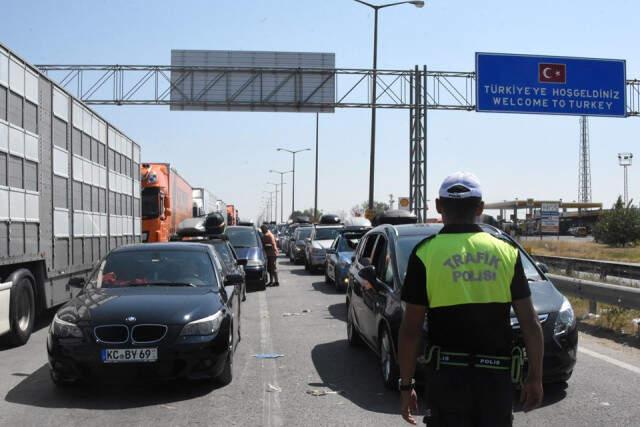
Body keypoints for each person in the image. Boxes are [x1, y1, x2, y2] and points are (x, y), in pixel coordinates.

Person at [397, 172, 544, 426]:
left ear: (439, 205)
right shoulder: (506, 251)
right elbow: (530, 323)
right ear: (480, 208)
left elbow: (410, 331)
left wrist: (405, 385)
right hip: (495, 381)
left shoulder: (425, 253)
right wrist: (535, 377)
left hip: (447, 381)